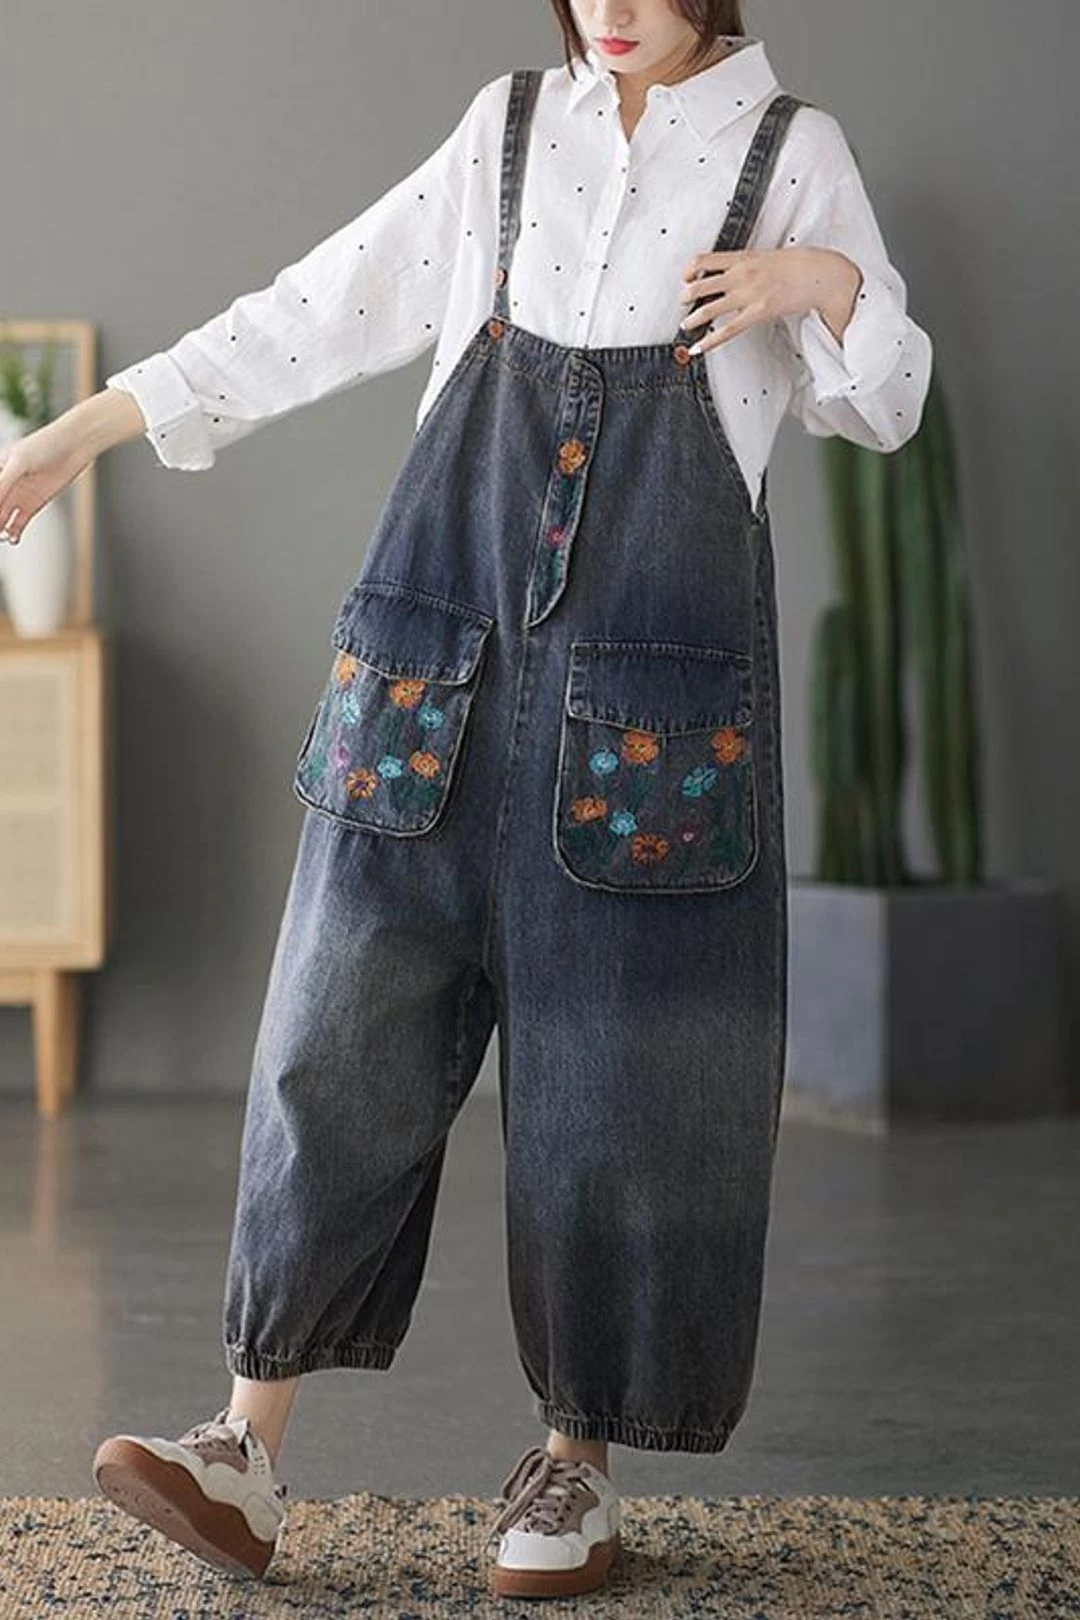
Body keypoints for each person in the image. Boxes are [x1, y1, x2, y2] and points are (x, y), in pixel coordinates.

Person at [0, 0, 932, 1602]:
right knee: (331, 1049)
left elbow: (888, 399)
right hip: (429, 694)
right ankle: (242, 1453)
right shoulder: (510, 133)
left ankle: (578, 1465)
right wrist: (83, 432)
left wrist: (819, 284)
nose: (611, 11)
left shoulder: (792, 155)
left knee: (621, 1094)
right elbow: (318, 309)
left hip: (647, 729)